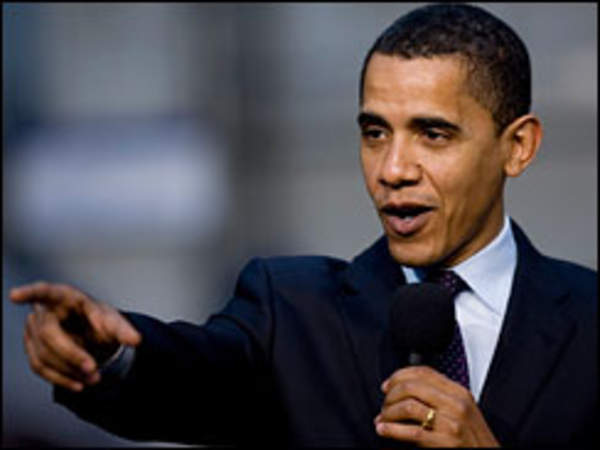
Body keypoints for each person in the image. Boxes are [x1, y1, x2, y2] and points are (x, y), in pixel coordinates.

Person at [9, 3, 597, 448]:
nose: (393, 169)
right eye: (375, 133)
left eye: (432, 134)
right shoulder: (290, 311)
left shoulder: (589, 321)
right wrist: (110, 352)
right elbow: (191, 373)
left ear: (517, 147)